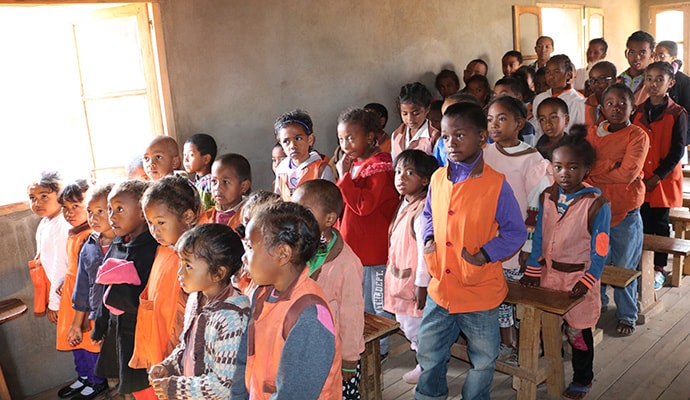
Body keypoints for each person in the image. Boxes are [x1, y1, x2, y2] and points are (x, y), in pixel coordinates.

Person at [416, 102, 526, 400]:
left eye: (460, 135)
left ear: (481, 137)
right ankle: (429, 395)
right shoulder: (438, 178)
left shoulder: (495, 185)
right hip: (441, 288)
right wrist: (428, 239)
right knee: (430, 352)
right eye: (445, 136)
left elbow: (515, 232)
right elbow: (427, 215)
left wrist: (486, 254)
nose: (451, 143)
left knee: (483, 358)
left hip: (478, 291)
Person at [521, 126, 611, 400]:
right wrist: (534, 267)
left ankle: (583, 378)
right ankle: (552, 368)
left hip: (578, 279)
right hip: (549, 275)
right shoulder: (547, 196)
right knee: (548, 326)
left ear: (585, 170)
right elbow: (539, 235)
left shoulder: (596, 204)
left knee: (578, 333)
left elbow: (601, 250)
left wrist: (588, 280)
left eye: (572, 168)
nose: (564, 173)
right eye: (558, 166)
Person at [231, 202, 342, 399]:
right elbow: (244, 358)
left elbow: (295, 393)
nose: (243, 257)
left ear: (282, 254)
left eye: (249, 246)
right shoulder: (262, 293)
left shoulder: (310, 316)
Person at [484, 96, 551, 364]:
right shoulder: (486, 153)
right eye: (490, 120)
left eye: (502, 119)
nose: (494, 125)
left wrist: (528, 246)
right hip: (491, 241)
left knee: (519, 297)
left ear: (519, 123)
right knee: (499, 296)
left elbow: (537, 207)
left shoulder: (531, 160)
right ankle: (506, 342)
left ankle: (528, 346)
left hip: (517, 242)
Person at [148, 224, 250, 399]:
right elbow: (188, 345)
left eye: (188, 266)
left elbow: (224, 384)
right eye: (181, 263)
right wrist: (169, 366)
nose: (179, 272)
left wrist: (174, 387)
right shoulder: (196, 298)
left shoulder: (231, 318)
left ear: (218, 273)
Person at [292, 180, 365, 400]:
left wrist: (349, 358)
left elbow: (352, 315)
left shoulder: (347, 263)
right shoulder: (298, 248)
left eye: (304, 212)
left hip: (334, 352)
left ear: (329, 219)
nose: (297, 218)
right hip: (303, 345)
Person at [586, 83, 649, 336]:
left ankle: (627, 314)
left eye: (623, 103)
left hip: (626, 212)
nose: (616, 108)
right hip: (597, 210)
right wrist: (611, 165)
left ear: (632, 108)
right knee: (596, 262)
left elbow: (627, 174)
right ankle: (596, 307)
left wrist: (597, 170)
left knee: (624, 267)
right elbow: (583, 169)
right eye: (610, 103)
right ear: (602, 108)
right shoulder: (591, 134)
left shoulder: (638, 136)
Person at [335, 107, 399, 358]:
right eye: (341, 138)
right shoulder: (357, 163)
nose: (345, 143)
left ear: (371, 137)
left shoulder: (379, 167)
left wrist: (343, 177)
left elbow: (363, 206)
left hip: (373, 250)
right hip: (357, 247)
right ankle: (365, 345)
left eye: (351, 137)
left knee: (376, 302)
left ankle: (379, 349)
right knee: (360, 300)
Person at [90, 179, 158, 397]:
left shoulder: (151, 248)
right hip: (117, 329)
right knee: (130, 385)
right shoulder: (118, 243)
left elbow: (145, 298)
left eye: (120, 209)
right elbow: (105, 290)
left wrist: (117, 293)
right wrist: (100, 325)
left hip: (139, 333)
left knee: (144, 385)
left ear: (142, 212)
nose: (112, 216)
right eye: (110, 209)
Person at [130, 175, 200, 381]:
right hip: (159, 337)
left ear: (187, 217)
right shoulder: (163, 250)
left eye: (161, 222)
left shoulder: (196, 256)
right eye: (150, 223)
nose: (154, 230)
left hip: (181, 345)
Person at [383, 150, 438, 384]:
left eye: (409, 173)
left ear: (425, 180)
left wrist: (421, 285)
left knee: (416, 327)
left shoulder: (423, 209)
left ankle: (427, 365)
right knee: (407, 323)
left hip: (413, 282)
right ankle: (425, 360)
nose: (401, 177)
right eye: (398, 172)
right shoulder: (405, 203)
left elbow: (424, 253)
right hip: (400, 277)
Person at [633, 61, 688, 289]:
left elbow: (678, 150)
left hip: (663, 180)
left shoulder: (678, 113)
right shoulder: (638, 112)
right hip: (640, 178)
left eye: (659, 79)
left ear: (670, 83)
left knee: (661, 224)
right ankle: (641, 265)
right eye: (649, 79)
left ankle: (658, 268)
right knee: (641, 222)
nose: (653, 84)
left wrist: (657, 175)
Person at [56, 180, 107, 400]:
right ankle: (84, 376)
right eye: (65, 208)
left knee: (89, 342)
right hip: (71, 295)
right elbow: (73, 268)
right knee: (75, 340)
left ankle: (97, 381)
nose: (69, 213)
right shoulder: (73, 234)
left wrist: (84, 313)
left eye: (76, 207)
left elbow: (89, 277)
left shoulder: (89, 236)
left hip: (85, 299)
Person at [71, 184, 116, 398]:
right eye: (90, 211)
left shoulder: (126, 243)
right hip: (99, 318)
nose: (93, 217)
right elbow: (82, 287)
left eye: (101, 211)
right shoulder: (88, 245)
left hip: (123, 320)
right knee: (109, 364)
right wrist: (76, 323)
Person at [27, 171, 70, 320]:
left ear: (60, 195)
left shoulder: (61, 224)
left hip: (64, 290)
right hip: (55, 287)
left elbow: (60, 265)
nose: (37, 203)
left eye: (44, 196)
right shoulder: (45, 221)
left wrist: (55, 303)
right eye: (32, 198)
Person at [273, 109, 335, 201]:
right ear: (281, 144)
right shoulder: (281, 169)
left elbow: (329, 203)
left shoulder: (321, 169)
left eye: (298, 138)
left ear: (310, 139)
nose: (292, 146)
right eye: (286, 141)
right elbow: (278, 198)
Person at [532, 54, 585, 142]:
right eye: (548, 72)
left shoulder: (578, 101)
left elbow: (579, 132)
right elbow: (537, 129)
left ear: (568, 75)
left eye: (556, 72)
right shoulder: (539, 98)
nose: (551, 76)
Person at [198, 153, 252, 229]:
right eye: (214, 181)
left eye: (226, 182)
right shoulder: (206, 217)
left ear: (244, 186)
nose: (218, 187)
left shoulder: (249, 218)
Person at [391, 82, 440, 158]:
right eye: (404, 114)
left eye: (416, 113)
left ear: (427, 109)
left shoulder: (434, 137)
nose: (410, 119)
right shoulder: (397, 135)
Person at [432, 93, 482, 166]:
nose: (447, 120)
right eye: (444, 116)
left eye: (452, 115)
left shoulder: (487, 143)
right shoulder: (441, 143)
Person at [655, 40, 690, 142]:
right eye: (655, 55)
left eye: (661, 56)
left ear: (673, 58)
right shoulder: (651, 78)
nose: (657, 59)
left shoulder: (684, 81)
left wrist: (679, 135)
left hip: (677, 135)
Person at [493, 76, 536, 145]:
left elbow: (528, 151)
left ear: (518, 98)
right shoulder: (492, 124)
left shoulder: (527, 128)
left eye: (503, 95)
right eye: (495, 96)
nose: (498, 100)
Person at [619, 30, 656, 105]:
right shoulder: (618, 80)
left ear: (652, 55)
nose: (637, 57)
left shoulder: (655, 83)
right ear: (626, 54)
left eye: (642, 53)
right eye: (632, 52)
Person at [183, 133, 218, 211]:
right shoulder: (197, 180)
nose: (186, 160)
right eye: (184, 154)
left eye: (191, 155)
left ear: (206, 159)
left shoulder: (210, 183)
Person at [585, 61, 618, 129]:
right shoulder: (585, 103)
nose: (596, 83)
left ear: (614, 80)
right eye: (592, 80)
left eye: (602, 79)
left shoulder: (621, 104)